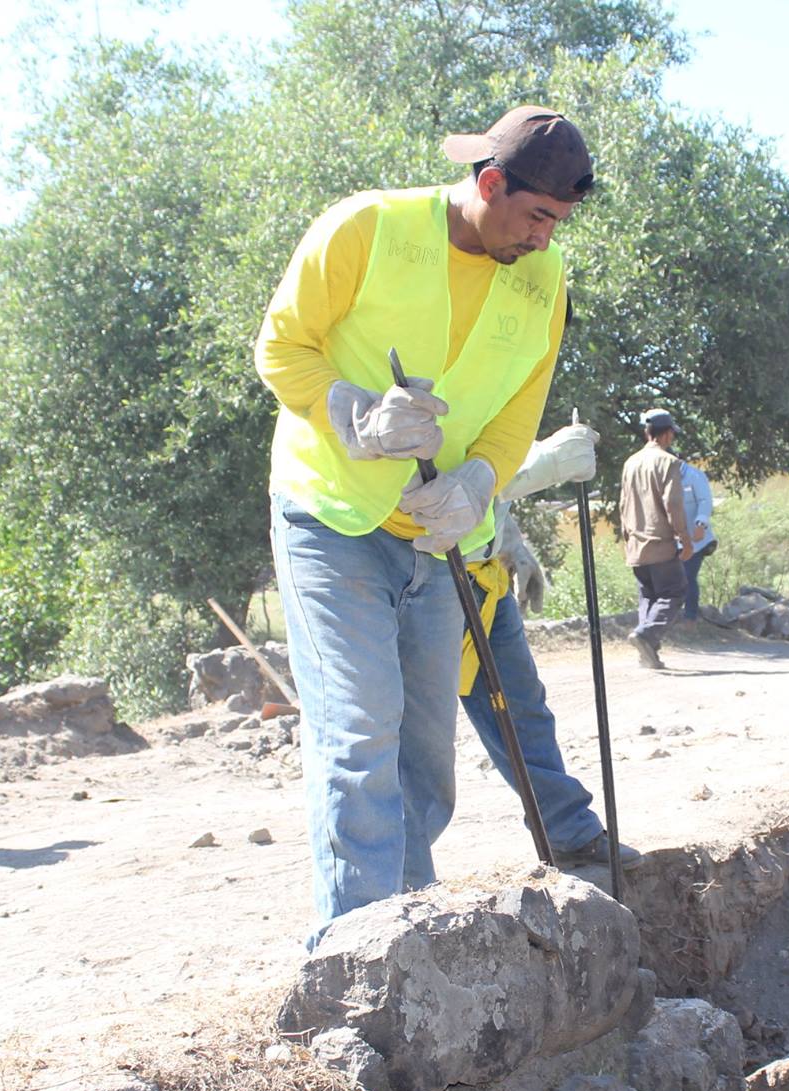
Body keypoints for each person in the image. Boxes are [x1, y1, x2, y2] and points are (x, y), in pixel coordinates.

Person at [253, 105, 593, 939]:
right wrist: (351, 411)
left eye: (560, 223)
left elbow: (519, 412)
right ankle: (357, 954)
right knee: (361, 729)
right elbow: (280, 347)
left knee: (424, 761)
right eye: (538, 216)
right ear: (488, 183)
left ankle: (406, 930)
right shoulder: (364, 229)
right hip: (331, 519)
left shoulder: (542, 281)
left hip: (437, 540)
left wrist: (480, 480)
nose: (546, 240)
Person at [458, 423, 642, 871]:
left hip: (482, 574)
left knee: (522, 709)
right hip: (422, 575)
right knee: (412, 739)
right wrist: (547, 463)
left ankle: (568, 834)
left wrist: (509, 543)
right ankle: (391, 894)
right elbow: (442, 469)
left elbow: (482, 466)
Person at [618, 408, 692, 669]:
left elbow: (623, 503)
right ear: (668, 433)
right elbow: (673, 503)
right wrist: (685, 538)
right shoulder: (668, 462)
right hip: (659, 542)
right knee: (675, 591)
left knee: (648, 597)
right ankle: (646, 636)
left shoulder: (630, 462)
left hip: (636, 543)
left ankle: (647, 653)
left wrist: (626, 538)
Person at [678, 456, 716, 619]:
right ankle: (673, 616)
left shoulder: (694, 476)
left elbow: (705, 501)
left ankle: (690, 617)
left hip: (697, 540)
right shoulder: (662, 478)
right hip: (674, 539)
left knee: (688, 576)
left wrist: (700, 524)